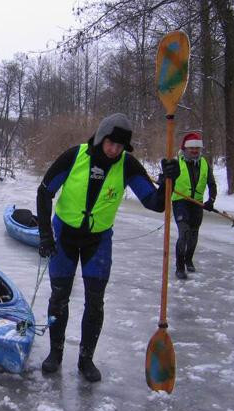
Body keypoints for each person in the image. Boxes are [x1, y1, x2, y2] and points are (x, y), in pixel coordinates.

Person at [36, 113, 180, 382]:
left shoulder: (127, 165)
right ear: (101, 137)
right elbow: (44, 192)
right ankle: (55, 353)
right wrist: (45, 235)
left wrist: (168, 183)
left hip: (98, 242)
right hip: (64, 235)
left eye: (120, 146)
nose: (115, 150)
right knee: (59, 297)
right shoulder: (75, 156)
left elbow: (155, 203)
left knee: (95, 302)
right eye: (111, 143)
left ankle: (85, 359)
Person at [172, 132, 217, 280]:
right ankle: (179, 267)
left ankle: (188, 260)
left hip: (197, 203)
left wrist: (211, 200)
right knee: (184, 232)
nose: (194, 151)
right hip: (180, 202)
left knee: (193, 234)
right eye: (191, 148)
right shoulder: (177, 162)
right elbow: (167, 180)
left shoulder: (204, 163)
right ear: (185, 148)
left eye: (197, 148)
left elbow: (211, 184)